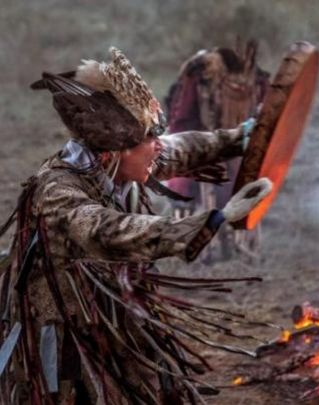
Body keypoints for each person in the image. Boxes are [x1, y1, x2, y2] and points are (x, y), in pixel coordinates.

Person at [0, 47, 272, 404]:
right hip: (62, 337)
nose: (159, 148)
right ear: (114, 152)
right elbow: (109, 231)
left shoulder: (119, 160)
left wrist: (241, 138)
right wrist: (216, 218)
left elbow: (178, 147)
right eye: (149, 140)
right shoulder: (58, 191)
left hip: (108, 318)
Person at [165, 40, 270, 260]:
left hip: (224, 152)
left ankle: (216, 245)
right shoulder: (202, 78)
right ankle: (229, 244)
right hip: (227, 152)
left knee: (201, 186)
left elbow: (180, 122)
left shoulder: (197, 77)